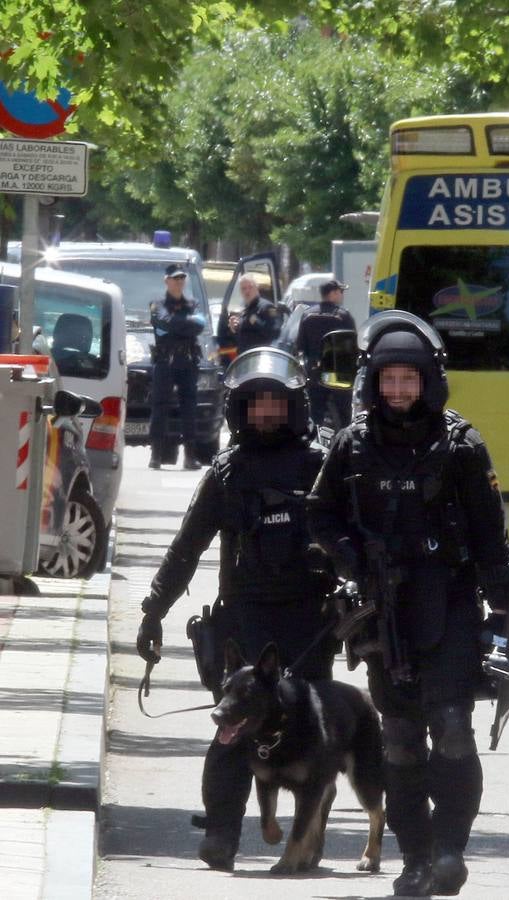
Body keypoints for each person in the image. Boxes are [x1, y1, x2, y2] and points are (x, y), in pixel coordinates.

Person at [308, 311, 509, 897]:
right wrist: (352, 559)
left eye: (410, 379)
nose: (399, 391)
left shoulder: (462, 447)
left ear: (429, 380)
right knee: (398, 738)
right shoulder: (352, 446)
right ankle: (415, 857)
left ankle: (450, 848)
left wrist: (504, 619)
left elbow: (491, 541)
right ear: (374, 383)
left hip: (448, 608)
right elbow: (320, 513)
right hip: (382, 614)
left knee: (452, 729)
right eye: (389, 380)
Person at [135, 346, 339, 872]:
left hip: (310, 625)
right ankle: (222, 833)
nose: (266, 414)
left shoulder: (323, 464)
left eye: (276, 404)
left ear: (294, 407)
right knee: (232, 733)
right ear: (240, 411)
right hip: (245, 626)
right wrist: (153, 609)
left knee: (309, 738)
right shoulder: (228, 473)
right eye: (256, 405)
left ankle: (307, 839)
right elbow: (187, 546)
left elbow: (360, 538)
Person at [149, 263, 206, 470]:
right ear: (167, 280)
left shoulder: (194, 303)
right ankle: (156, 455)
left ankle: (190, 456)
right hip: (166, 361)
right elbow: (164, 322)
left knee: (190, 408)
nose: (179, 282)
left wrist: (178, 324)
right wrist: (185, 324)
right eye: (175, 278)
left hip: (188, 362)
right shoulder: (157, 304)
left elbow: (200, 325)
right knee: (160, 406)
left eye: (182, 278)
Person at [295, 279, 356, 429]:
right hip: (338, 374)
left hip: (316, 372)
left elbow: (300, 345)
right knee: (344, 416)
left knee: (315, 414)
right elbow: (353, 345)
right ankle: (343, 443)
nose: (342, 295)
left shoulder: (307, 315)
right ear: (333, 293)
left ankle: (316, 442)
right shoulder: (343, 316)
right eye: (340, 292)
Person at [230, 273, 282, 355]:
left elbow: (275, 333)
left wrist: (256, 321)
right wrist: (235, 328)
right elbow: (245, 335)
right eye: (243, 289)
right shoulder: (246, 310)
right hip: (244, 359)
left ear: (257, 288)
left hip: (260, 358)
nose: (247, 291)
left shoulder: (267, 307)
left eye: (250, 287)